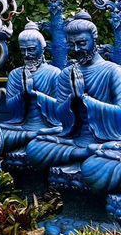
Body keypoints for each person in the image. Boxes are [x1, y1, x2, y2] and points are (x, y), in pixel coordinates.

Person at [27, 12, 121, 169]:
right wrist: (73, 99)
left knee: (98, 168)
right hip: (74, 141)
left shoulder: (113, 72)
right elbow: (59, 116)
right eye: (72, 45)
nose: (77, 49)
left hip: (107, 139)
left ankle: (94, 153)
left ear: (94, 40)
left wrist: (84, 98)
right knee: (34, 147)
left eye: (82, 43)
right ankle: (88, 153)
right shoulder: (66, 74)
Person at [0, 23, 61, 153]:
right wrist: (23, 94)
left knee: (58, 135)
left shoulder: (54, 73)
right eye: (23, 50)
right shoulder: (15, 74)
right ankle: (33, 137)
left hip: (48, 127)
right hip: (21, 127)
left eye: (31, 49)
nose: (27, 54)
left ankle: (34, 138)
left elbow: (61, 108)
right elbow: (10, 107)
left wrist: (35, 95)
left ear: (42, 48)